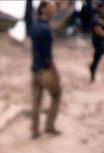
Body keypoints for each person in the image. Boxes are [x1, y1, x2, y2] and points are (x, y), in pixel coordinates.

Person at [29, 0, 62, 139]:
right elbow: (48, 56)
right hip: (45, 71)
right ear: (43, 9)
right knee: (57, 94)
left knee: (36, 101)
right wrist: (56, 72)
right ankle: (49, 126)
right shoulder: (46, 29)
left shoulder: (35, 26)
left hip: (34, 69)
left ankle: (34, 130)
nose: (54, 10)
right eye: (52, 8)